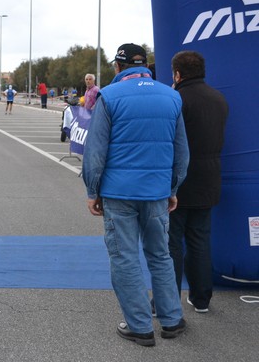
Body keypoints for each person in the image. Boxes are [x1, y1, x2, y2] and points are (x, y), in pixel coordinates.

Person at [82, 43, 189, 347]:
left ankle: (140, 326)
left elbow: (95, 151)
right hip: (156, 192)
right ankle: (171, 319)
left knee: (125, 258)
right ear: (146, 66)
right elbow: (181, 151)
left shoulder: (110, 96)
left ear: (117, 67)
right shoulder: (171, 96)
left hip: (118, 194)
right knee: (160, 255)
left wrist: (93, 190)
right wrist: (173, 188)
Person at [168, 50, 229, 313]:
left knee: (171, 243)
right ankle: (201, 298)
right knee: (200, 240)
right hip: (210, 178)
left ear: (178, 74)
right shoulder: (219, 99)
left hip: (180, 181)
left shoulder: (176, 99)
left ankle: (167, 300)